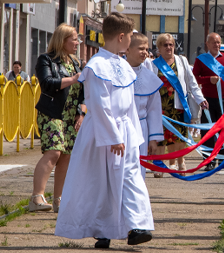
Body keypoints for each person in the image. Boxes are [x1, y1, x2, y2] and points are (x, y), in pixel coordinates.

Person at [55, 14, 154, 248]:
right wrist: (113, 136)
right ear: (121, 37)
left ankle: (137, 226)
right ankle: (103, 230)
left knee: (130, 176)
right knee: (100, 182)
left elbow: (128, 103)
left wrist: (133, 134)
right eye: (130, 37)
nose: (131, 41)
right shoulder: (96, 66)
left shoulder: (123, 65)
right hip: (102, 132)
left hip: (125, 131)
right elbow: (99, 104)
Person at [30, 24, 85, 213]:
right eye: (74, 39)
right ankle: (37, 197)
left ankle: (59, 200)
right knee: (54, 152)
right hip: (51, 113)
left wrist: (82, 113)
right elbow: (47, 83)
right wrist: (73, 79)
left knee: (66, 157)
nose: (77, 43)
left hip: (71, 117)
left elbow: (83, 93)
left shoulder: (75, 63)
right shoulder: (46, 60)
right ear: (63, 40)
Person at [150, 33, 207, 172]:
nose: (169, 47)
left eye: (171, 45)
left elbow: (192, 83)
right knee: (160, 136)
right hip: (160, 107)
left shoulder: (182, 61)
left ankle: (180, 161)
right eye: (165, 45)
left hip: (178, 105)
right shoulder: (152, 65)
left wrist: (201, 99)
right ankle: (159, 165)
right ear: (159, 48)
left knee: (178, 137)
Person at [193, 33, 224, 170]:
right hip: (208, 101)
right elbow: (194, 78)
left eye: (218, 42)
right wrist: (208, 80)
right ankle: (208, 160)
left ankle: (222, 158)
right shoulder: (201, 60)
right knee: (208, 131)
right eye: (213, 42)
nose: (216, 45)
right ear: (207, 44)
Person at [126, 32, 165, 180]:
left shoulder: (150, 78)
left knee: (138, 170)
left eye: (147, 49)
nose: (145, 53)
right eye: (141, 49)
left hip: (141, 128)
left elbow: (153, 110)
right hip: (121, 127)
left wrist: (153, 138)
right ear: (128, 49)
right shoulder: (117, 71)